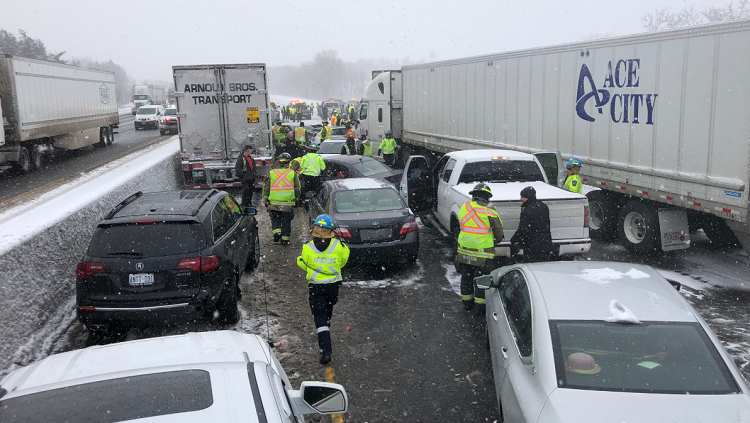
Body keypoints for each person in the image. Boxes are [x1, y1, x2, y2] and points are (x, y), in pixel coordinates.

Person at [296, 214, 350, 365]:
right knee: (327, 313)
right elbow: (344, 261)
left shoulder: (308, 247)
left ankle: (325, 351)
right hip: (333, 288)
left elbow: (304, 264)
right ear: (331, 231)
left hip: (316, 288)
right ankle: (325, 326)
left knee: (320, 318)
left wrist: (301, 261)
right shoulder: (338, 246)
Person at [456, 183, 504, 313]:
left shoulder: (465, 207)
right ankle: (480, 308)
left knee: (466, 277)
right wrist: (493, 242)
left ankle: (467, 303)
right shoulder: (490, 212)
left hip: (464, 251)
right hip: (483, 255)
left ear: (474, 195)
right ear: (486, 197)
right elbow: (499, 234)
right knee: (481, 280)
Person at [262, 153, 300, 245]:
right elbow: (297, 188)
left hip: (274, 203)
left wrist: (266, 199)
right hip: (288, 204)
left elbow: (266, 187)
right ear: (288, 163)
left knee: (275, 219)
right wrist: (297, 199)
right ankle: (285, 239)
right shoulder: (292, 173)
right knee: (286, 222)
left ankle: (277, 233)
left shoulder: (272, 173)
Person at [510, 186, 554, 262]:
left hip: (532, 245)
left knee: (531, 265)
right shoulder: (543, 206)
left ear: (528, 197)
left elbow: (523, 229)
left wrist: (514, 239)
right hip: (545, 242)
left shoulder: (527, 210)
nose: (520, 199)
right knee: (543, 265)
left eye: (522, 197)